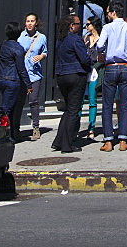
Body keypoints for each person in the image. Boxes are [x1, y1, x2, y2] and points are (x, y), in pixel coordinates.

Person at [96, 1, 127, 151]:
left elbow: (100, 45)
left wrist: (102, 53)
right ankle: (123, 140)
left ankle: (108, 141)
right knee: (125, 106)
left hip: (111, 67)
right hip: (126, 68)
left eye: (108, 12)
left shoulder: (107, 28)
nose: (107, 14)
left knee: (107, 105)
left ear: (114, 13)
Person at [52, 14, 92, 153]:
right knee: (74, 110)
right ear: (71, 26)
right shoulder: (75, 40)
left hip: (62, 75)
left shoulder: (60, 40)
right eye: (78, 24)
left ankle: (59, 141)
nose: (79, 26)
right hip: (75, 75)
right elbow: (85, 59)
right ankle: (67, 145)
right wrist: (90, 61)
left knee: (69, 109)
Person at [0, 21, 32, 141]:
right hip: (12, 80)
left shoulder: (3, 45)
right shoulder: (18, 48)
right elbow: (21, 69)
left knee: (8, 106)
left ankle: (10, 133)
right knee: (6, 109)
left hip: (1, 78)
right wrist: (28, 84)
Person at [18, 13, 47, 141]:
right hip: (22, 74)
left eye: (32, 21)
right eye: (28, 21)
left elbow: (45, 52)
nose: (30, 23)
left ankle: (36, 127)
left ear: (36, 23)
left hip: (34, 74)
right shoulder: (20, 37)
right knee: (18, 102)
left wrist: (41, 56)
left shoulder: (41, 38)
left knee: (33, 101)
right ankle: (15, 128)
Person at [81, 15, 102, 139]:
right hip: (85, 70)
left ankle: (91, 128)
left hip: (95, 71)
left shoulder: (101, 39)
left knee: (92, 101)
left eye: (88, 24)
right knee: (80, 100)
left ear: (94, 25)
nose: (86, 27)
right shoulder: (85, 38)